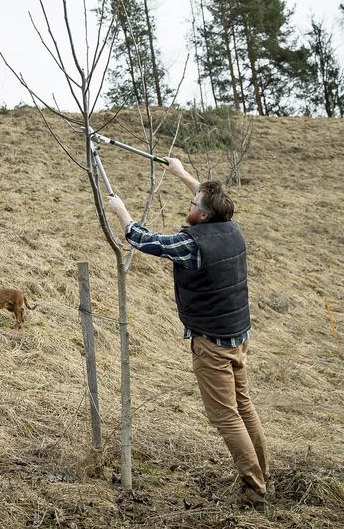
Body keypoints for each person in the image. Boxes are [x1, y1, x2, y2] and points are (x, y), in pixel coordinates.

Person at [106, 157, 269, 508]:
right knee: (243, 406)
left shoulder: (193, 244)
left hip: (212, 342)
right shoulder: (231, 228)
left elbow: (147, 242)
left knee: (225, 415)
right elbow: (206, 197)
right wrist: (181, 174)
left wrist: (122, 213)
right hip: (238, 335)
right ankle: (261, 474)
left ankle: (254, 489)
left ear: (204, 215)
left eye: (193, 204)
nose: (189, 203)